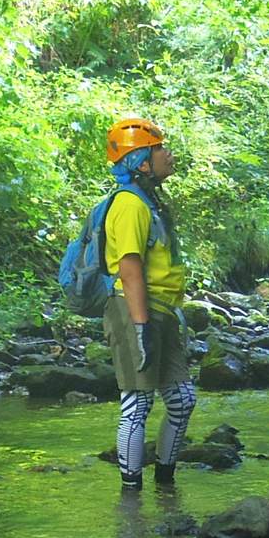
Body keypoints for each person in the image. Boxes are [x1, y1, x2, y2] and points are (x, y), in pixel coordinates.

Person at [102, 116, 194, 492]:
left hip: (161, 310)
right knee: (137, 404)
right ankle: (131, 495)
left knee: (182, 399)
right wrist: (141, 329)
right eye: (161, 149)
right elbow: (129, 268)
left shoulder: (149, 201)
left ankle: (166, 484)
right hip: (134, 310)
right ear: (141, 161)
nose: (169, 155)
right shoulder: (129, 205)